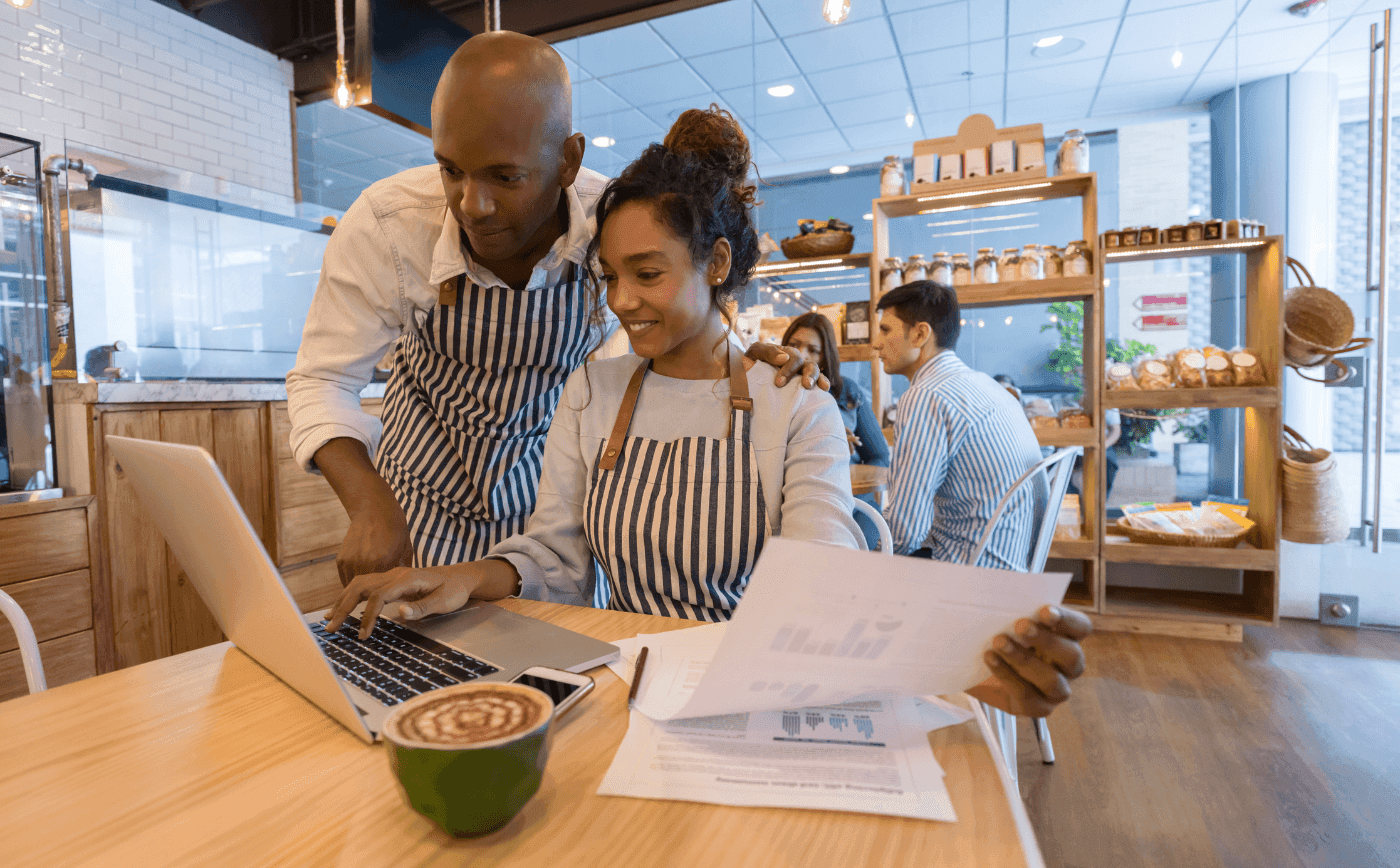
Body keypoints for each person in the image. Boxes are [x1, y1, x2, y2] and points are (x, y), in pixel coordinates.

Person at [328, 113, 1092, 720]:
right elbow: (555, 559)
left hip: (754, 694)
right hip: (627, 691)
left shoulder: (797, 403)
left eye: (647, 273)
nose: (621, 301)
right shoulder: (591, 392)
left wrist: (968, 664)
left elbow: (823, 585)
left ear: (717, 264)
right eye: (610, 276)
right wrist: (460, 578)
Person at [285, 32, 816, 584]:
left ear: (569, 160)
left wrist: (746, 362)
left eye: (505, 177)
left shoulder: (613, 222)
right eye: (451, 170)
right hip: (417, 506)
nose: (473, 205)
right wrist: (370, 505)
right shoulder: (389, 226)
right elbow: (322, 379)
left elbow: (680, 308)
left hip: (550, 512)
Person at [873, 281, 1045, 570]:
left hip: (963, 574)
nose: (876, 343)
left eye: (885, 330)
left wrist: (858, 559)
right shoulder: (987, 385)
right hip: (1012, 566)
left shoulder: (926, 395)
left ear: (920, 334)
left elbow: (903, 533)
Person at [783, 312, 890, 548]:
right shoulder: (773, 391)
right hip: (795, 502)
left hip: (853, 503)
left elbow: (880, 456)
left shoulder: (847, 392)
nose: (802, 354)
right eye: (794, 345)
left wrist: (847, 468)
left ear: (825, 357)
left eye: (813, 350)